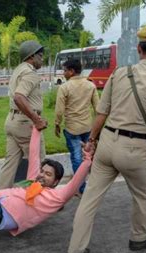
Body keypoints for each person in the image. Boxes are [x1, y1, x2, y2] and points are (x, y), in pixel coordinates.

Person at [65, 25, 146, 253]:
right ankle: (139, 237)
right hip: (135, 148)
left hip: (107, 141)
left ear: (139, 49)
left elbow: (101, 112)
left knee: (90, 198)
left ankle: (75, 250)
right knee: (141, 195)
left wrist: (92, 140)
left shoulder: (120, 73)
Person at [0, 40, 48, 189]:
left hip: (12, 121)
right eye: (40, 55)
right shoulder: (30, 73)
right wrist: (36, 119)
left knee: (10, 164)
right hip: (26, 124)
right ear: (32, 56)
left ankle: (1, 198)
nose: (42, 59)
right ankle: (39, 197)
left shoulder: (18, 70)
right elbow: (19, 97)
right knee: (38, 162)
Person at [54, 59, 99, 195]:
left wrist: (57, 123)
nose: (64, 73)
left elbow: (59, 110)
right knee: (89, 155)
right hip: (88, 127)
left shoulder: (65, 87)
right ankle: (93, 184)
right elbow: (98, 107)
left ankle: (81, 187)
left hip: (72, 128)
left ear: (72, 71)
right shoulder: (90, 85)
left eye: (65, 70)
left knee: (76, 157)